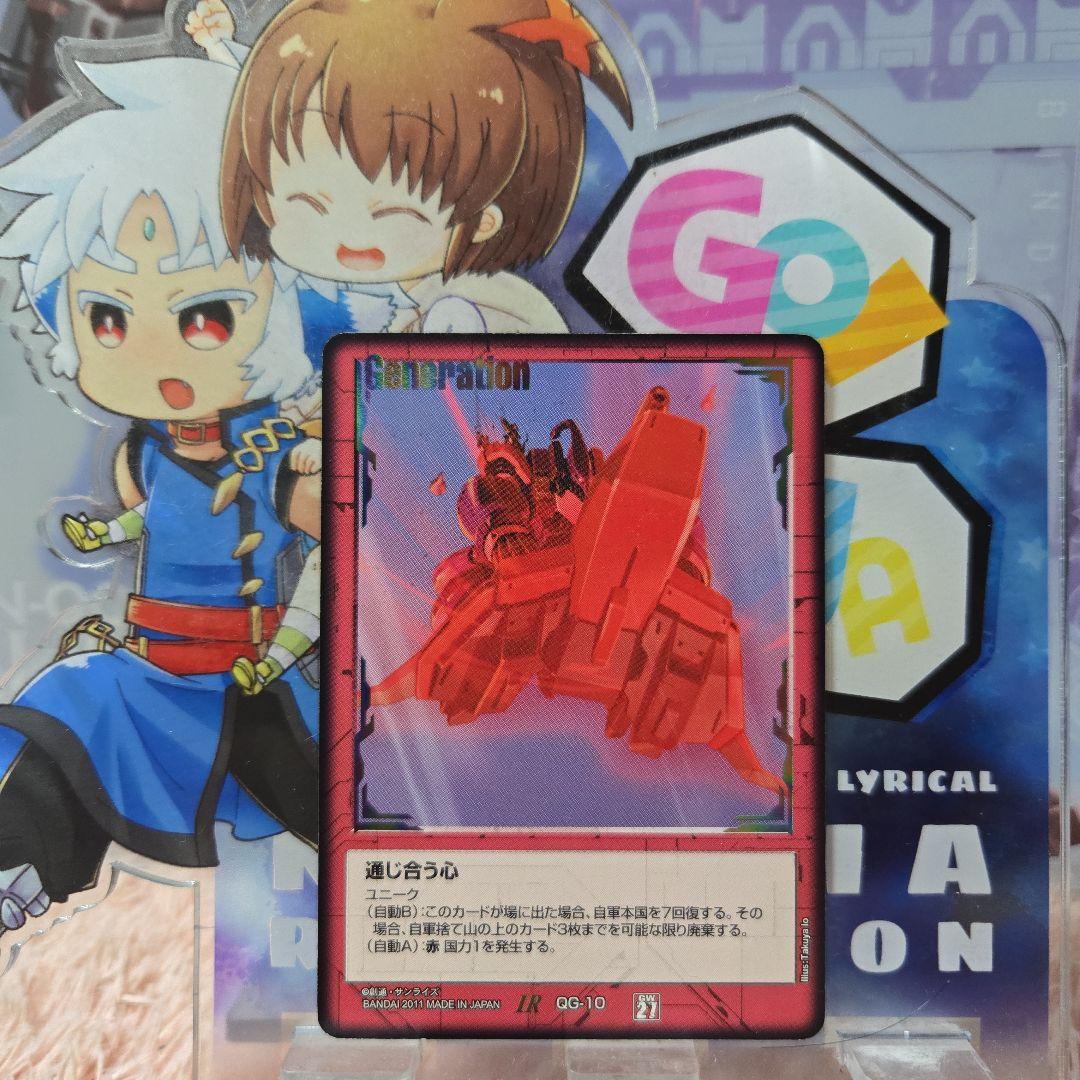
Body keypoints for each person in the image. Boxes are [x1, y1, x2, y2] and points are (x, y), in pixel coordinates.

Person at [0, 55, 321, 934]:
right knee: (76, 708)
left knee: (336, 814)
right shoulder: (144, 453)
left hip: (248, 683)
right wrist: (107, 535)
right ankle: (21, 867)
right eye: (107, 317)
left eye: (205, 317)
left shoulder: (276, 451)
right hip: (153, 671)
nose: (157, 355)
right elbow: (162, 516)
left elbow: (335, 542)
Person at [196, 0, 634, 333]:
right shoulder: (408, 298)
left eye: (395, 212)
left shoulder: (476, 311)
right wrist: (220, 48)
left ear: (485, 220)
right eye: (308, 202)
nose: (350, 236)